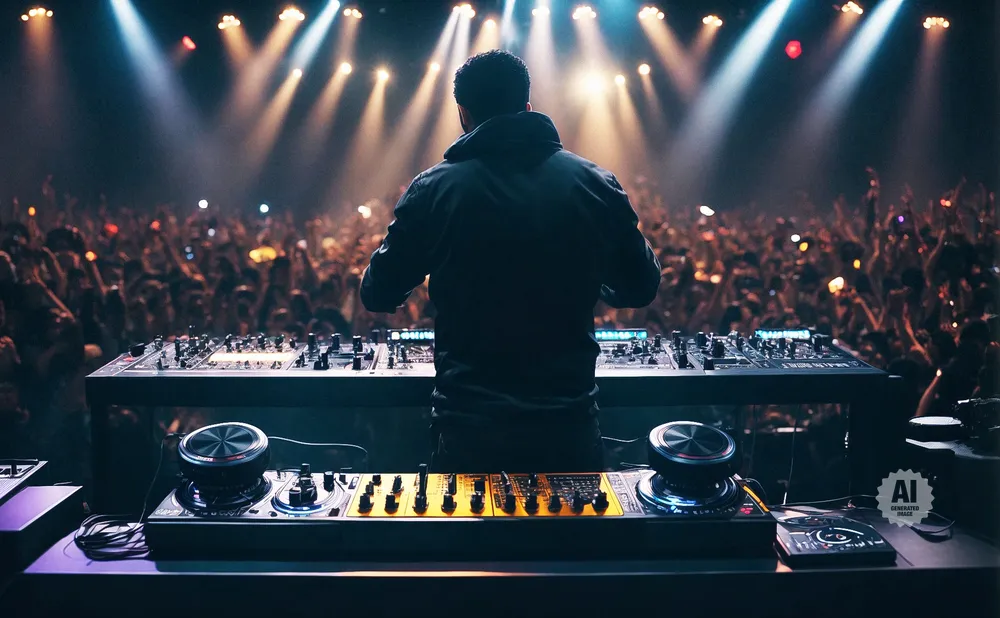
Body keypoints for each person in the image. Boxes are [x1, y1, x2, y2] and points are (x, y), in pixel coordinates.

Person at [359, 50, 661, 473]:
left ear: (463, 114)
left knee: (469, 538)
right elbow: (641, 286)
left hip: (468, 425)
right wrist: (590, 280)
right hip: (567, 422)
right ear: (528, 106)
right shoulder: (594, 182)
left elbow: (377, 291)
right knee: (570, 539)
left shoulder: (433, 188)